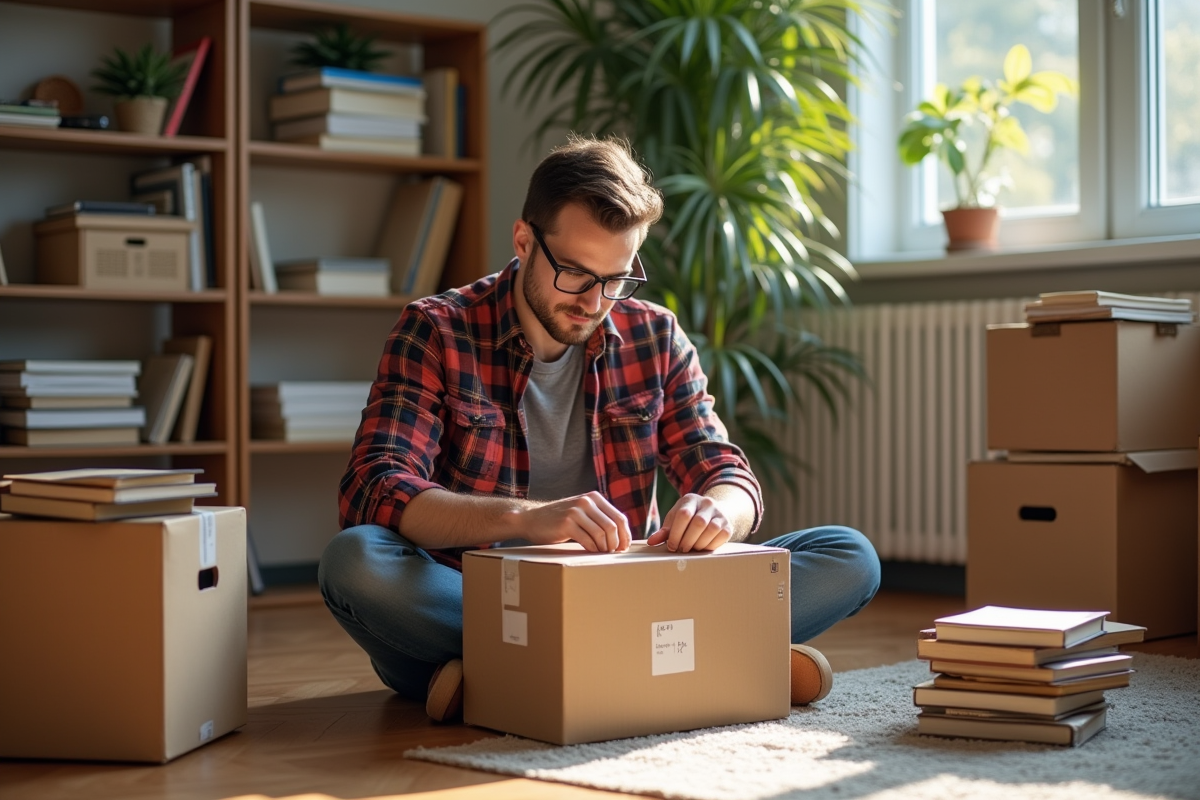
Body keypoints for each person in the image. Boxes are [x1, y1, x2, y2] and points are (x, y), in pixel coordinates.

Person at [319, 135, 880, 722]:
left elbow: (725, 472)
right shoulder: (436, 329)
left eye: (616, 279)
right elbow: (375, 488)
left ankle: (500, 674)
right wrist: (528, 518)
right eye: (576, 275)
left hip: (629, 593)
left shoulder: (654, 336)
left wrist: (719, 511)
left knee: (850, 554)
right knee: (356, 561)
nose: (595, 302)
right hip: (486, 598)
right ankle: (703, 657)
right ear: (523, 241)